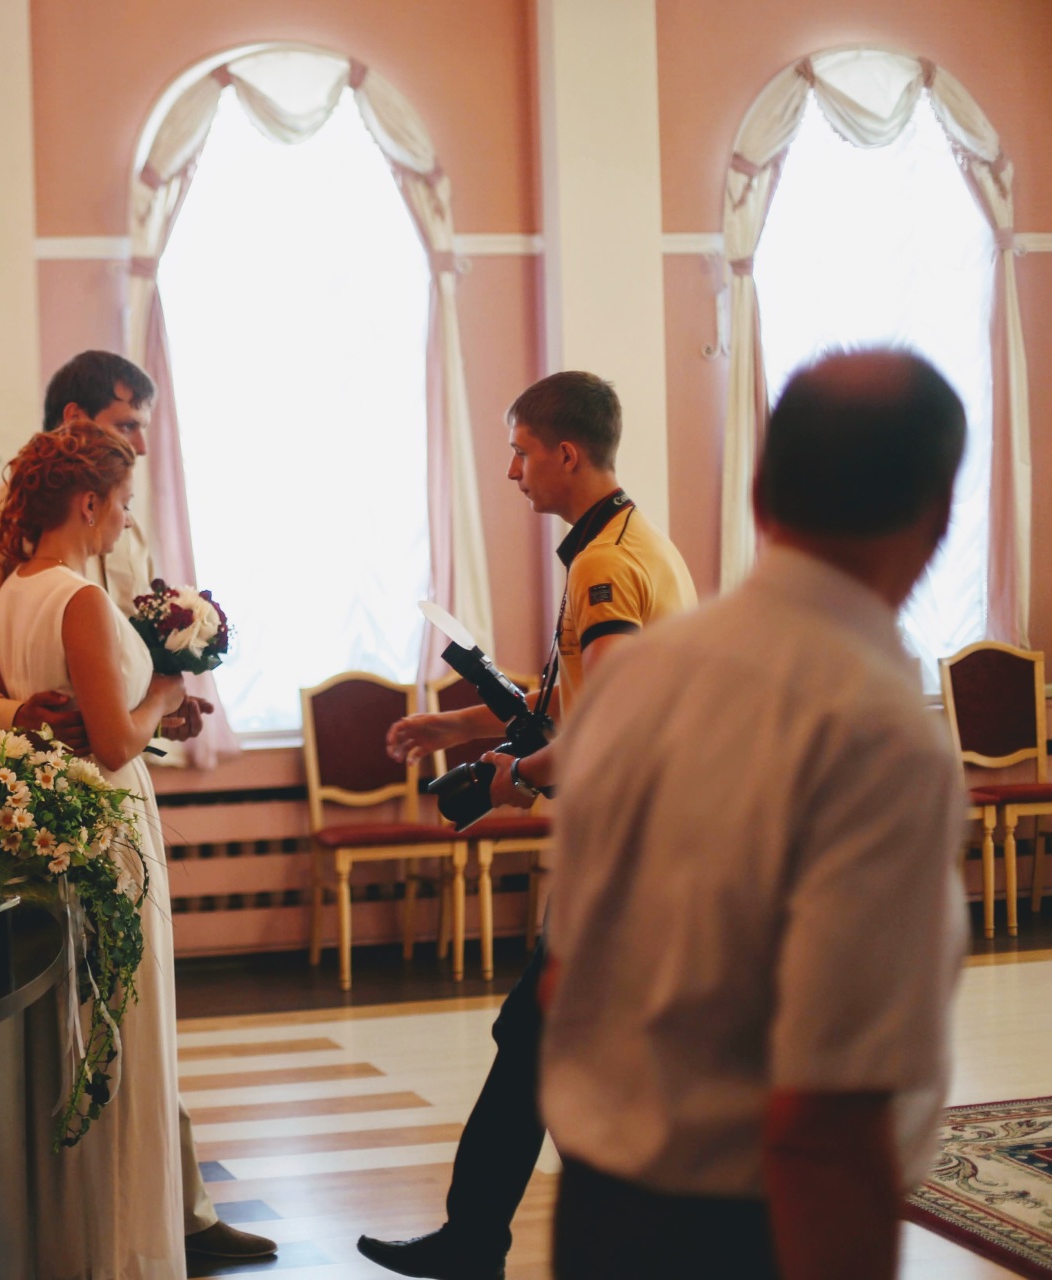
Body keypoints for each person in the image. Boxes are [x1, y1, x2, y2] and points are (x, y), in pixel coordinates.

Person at [538, 350, 969, 1279]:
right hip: (751, 1227)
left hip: (599, 1211)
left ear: (760, 493)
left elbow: (562, 976)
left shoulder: (637, 679)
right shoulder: (879, 729)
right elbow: (826, 1113)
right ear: (938, 517)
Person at [0, 350, 274, 1261]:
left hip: (109, 778)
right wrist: (23, 713)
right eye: (126, 430)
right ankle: (113, 1231)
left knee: (129, 1021)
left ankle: (166, 1211)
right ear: (76, 424)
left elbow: (118, 668)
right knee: (98, 1018)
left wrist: (165, 704)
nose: (139, 457)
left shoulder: (111, 530)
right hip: (61, 800)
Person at [359, 371, 697, 1279]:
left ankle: (489, 1243)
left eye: (519, 451)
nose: (512, 471)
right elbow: (573, 695)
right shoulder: (630, 544)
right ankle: (479, 1240)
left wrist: (519, 777)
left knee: (546, 1045)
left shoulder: (603, 565)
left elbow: (611, 722)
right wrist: (459, 727)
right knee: (543, 1045)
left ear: (566, 454)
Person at [0, 423, 188, 1277]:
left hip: (57, 825)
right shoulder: (78, 599)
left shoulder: (13, 591)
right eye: (123, 504)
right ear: (87, 502)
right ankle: (123, 1252)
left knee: (79, 1035)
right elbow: (112, 742)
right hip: (109, 829)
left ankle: (74, 1242)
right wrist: (166, 693)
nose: (126, 522)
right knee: (123, 1031)